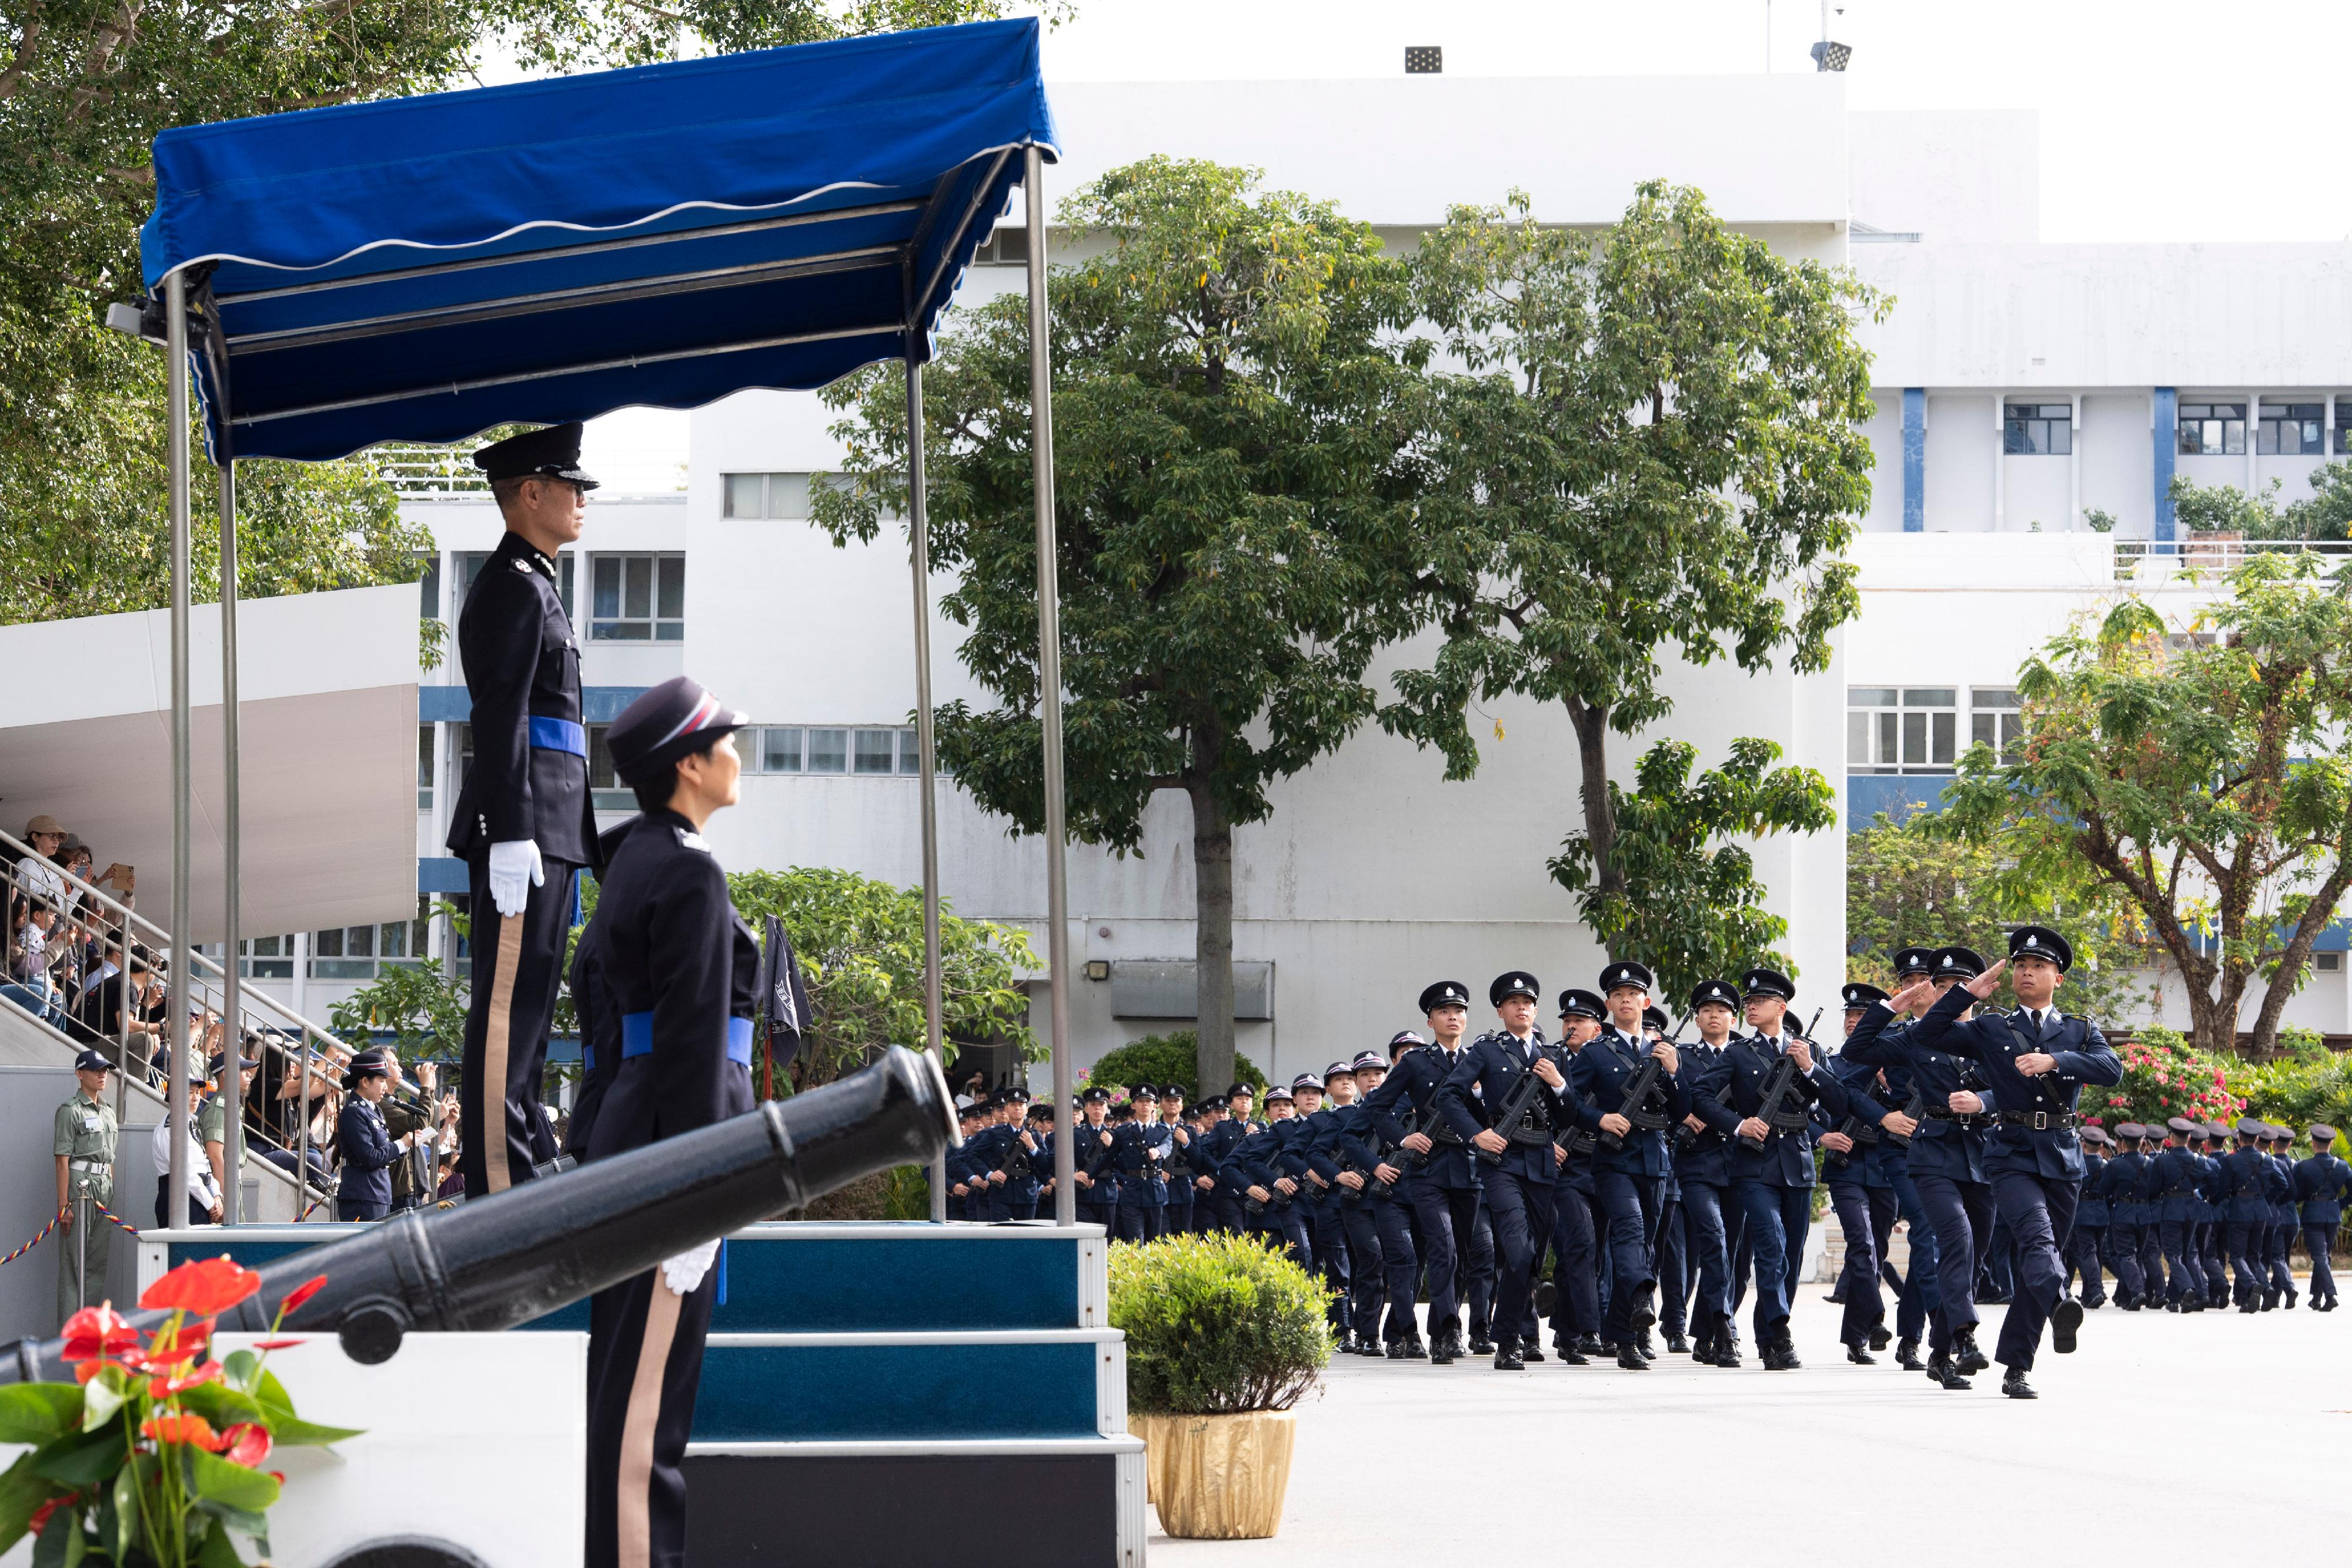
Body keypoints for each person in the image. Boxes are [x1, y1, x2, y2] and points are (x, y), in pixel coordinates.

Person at [573, 675, 758, 1568]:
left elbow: (601, 1015)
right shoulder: (685, 867)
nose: (737, 754)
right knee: (646, 1413)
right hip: (670, 1155)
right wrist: (695, 1191)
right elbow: (690, 1037)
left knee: (633, 1396)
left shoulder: (639, 857)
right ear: (688, 763)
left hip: (639, 1134)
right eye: (725, 740)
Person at [448, 423, 607, 1200]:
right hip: (523, 829)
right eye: (569, 484)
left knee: (533, 1006)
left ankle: (523, 1150)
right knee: (506, 1005)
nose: (582, 498)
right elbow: (501, 714)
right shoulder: (511, 585)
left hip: (550, 826)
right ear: (529, 492)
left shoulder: (536, 583)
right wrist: (509, 830)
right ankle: (498, 1175)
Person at [1890, 927, 2122, 1399]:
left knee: (2045, 1257)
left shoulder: (2079, 1029)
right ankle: (2060, 1300)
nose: (2026, 973)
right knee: (2037, 1240)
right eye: (2020, 966)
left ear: (2058, 976)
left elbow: (2111, 1068)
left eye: (2037, 966)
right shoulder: (1992, 1027)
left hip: (2062, 1153)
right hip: (2011, 1151)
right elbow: (1927, 1032)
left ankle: (2017, 1366)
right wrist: (1964, 995)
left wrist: (2054, 1061)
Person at [1843, 945, 2002, 1389]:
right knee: (1954, 1236)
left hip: (1981, 1155)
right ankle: (1966, 1336)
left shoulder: (1994, 1032)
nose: (1952, 994)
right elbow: (1857, 1050)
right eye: (1944, 987)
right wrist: (1894, 1004)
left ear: (1978, 992)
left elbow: (2015, 1088)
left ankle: (1938, 1352)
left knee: (1972, 1258)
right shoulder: (1917, 1038)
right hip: (1931, 1153)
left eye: (1961, 987)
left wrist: (1985, 1101)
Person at [1441, 971, 1598, 1370]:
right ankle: (1508, 1340)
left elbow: (1573, 1113)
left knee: (1532, 1256)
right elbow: (1449, 1095)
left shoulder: (1553, 1056)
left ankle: (1543, 1331)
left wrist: (1560, 1083)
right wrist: (1478, 1134)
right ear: (1501, 1010)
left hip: (1544, 1163)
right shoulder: (1487, 1052)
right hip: (1504, 1163)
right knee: (1520, 1248)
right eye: (1513, 1002)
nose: (1521, 1006)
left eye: (1527, 1001)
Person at [1563, 962, 1687, 1372]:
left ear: (1645, 1002)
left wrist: (1674, 1072)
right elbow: (1568, 1103)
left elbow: (1683, 1108)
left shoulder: (1663, 1051)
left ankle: (1626, 1337)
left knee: (1644, 1245)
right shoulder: (1595, 1052)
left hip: (1655, 1160)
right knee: (1630, 1231)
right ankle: (1642, 1298)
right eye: (1618, 995)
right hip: (1613, 1160)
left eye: (1633, 994)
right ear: (1608, 1004)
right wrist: (1599, 1119)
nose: (1625, 1000)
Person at [1365, 980, 1489, 1365]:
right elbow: (1375, 1108)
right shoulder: (1417, 1063)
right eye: (1444, 1012)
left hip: (1468, 1168)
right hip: (1429, 1169)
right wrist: (1404, 1139)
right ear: (1431, 1019)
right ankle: (1450, 1328)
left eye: (1459, 1011)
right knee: (1443, 1245)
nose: (1453, 1017)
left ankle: (1440, 1330)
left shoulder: (1478, 1060)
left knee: (1465, 1255)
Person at [53, 1049, 116, 1327]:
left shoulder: (107, 1111)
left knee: (96, 1264)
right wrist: (64, 1204)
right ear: (80, 1074)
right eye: (96, 1070)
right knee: (73, 1264)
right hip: (81, 1186)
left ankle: (88, 1331)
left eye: (105, 1070)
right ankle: (68, 1335)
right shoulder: (71, 1110)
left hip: (104, 1186)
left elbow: (110, 1156)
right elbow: (62, 1159)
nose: (102, 1074)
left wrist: (110, 1185)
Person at [336, 1050, 409, 1221]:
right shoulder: (354, 1112)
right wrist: (400, 1145)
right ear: (365, 1082)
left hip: (378, 1192)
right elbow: (370, 1157)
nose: (385, 1086)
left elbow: (382, 1149)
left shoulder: (374, 1109)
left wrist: (405, 1145)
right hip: (362, 1194)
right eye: (382, 1081)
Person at [2151, 1116, 2210, 1310]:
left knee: (2174, 1256)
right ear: (2189, 1138)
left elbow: (2154, 1188)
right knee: (2186, 1254)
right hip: (2192, 1210)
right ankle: (2181, 1298)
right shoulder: (2198, 1161)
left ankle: (2188, 1289)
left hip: (2170, 1210)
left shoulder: (2163, 1160)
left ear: (2172, 1137)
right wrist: (2200, 1193)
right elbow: (2214, 1180)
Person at [196, 1047, 260, 1219]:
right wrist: (225, 1201)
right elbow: (215, 1156)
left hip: (232, 1184)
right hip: (225, 1188)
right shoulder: (219, 1110)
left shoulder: (228, 1108)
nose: (249, 1076)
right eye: (243, 1070)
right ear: (225, 1074)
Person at [2293, 1125, 2348, 1312]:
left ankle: (2330, 1295)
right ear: (2331, 1144)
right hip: (2333, 1214)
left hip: (2313, 1214)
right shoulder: (2341, 1166)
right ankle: (2316, 1298)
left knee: (2319, 1256)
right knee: (2324, 1256)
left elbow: (2296, 1193)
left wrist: (2303, 1199)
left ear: (2314, 1144)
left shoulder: (2305, 1166)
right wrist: (2340, 1203)